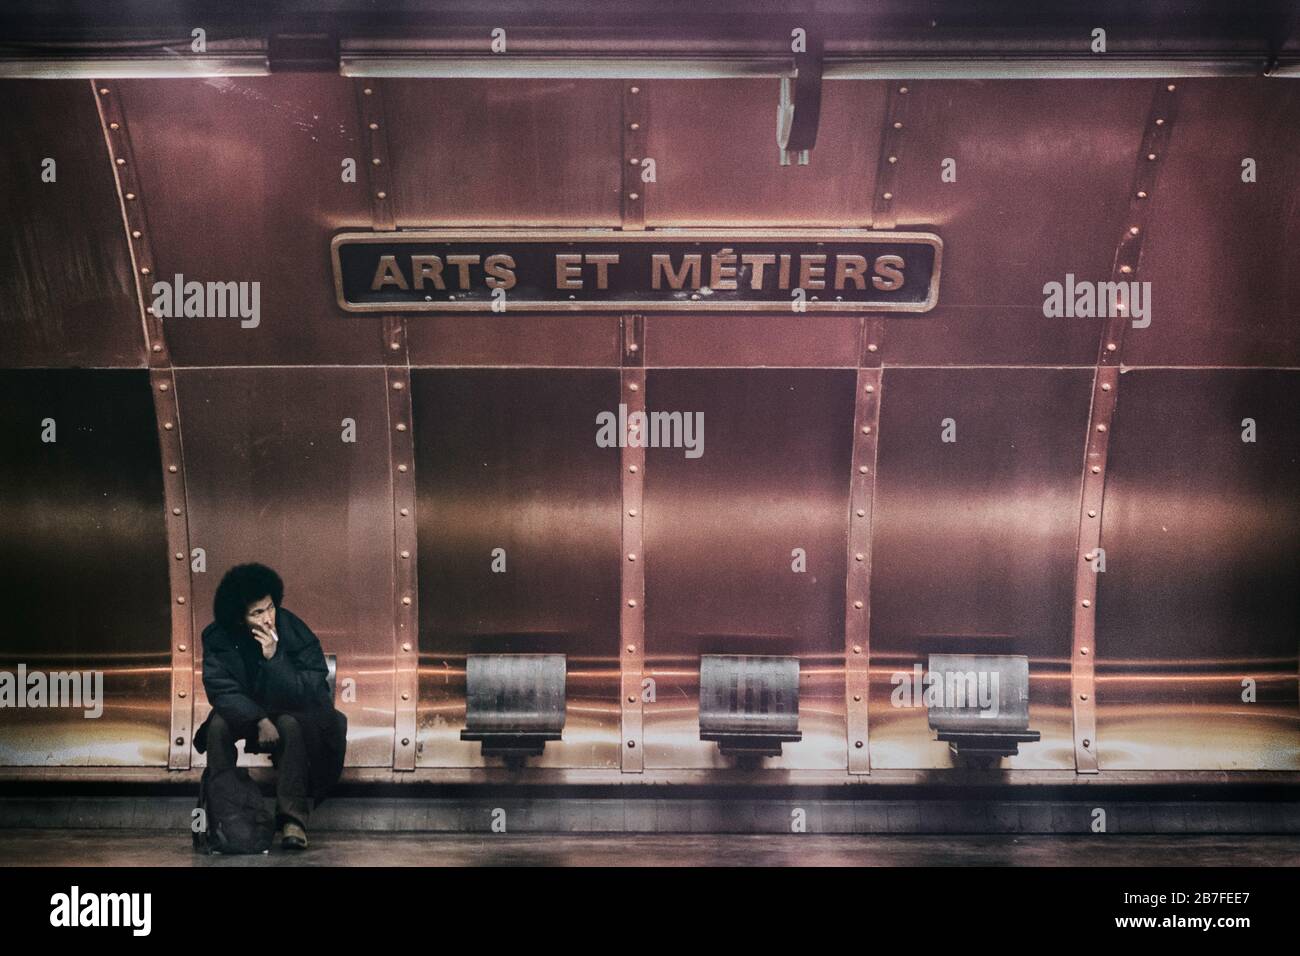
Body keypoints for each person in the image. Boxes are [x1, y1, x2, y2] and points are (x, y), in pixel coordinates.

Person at [193, 563, 348, 849]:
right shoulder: (217, 637)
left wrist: (275, 659)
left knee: (291, 726)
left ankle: (293, 821)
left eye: (270, 607)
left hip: (291, 709)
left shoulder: (292, 629)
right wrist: (259, 720)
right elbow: (221, 689)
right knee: (217, 728)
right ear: (239, 619)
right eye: (257, 613)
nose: (267, 618)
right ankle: (224, 817)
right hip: (246, 711)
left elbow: (312, 687)